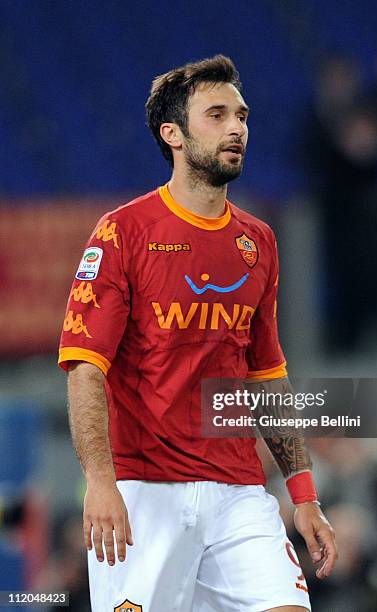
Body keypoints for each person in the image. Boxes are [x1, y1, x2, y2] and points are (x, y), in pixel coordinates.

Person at [59, 55, 337, 612]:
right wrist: (101, 482)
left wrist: (302, 495)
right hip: (143, 492)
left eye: (242, 115)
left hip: (239, 493)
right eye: (217, 115)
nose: (237, 128)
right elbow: (86, 367)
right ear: (174, 135)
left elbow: (267, 375)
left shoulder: (258, 241)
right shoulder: (122, 231)